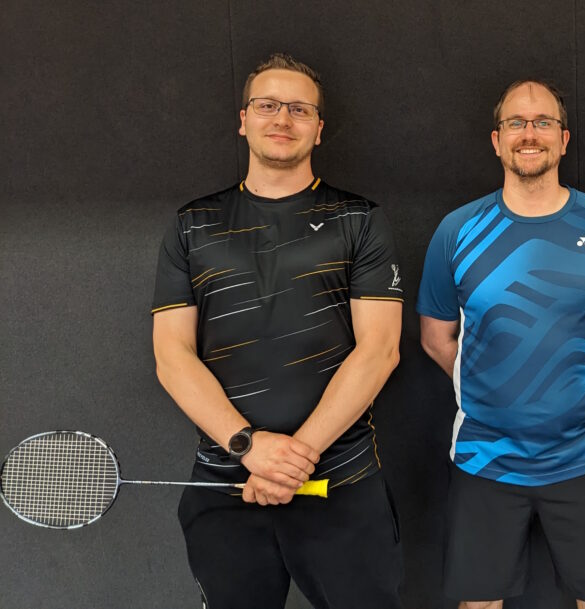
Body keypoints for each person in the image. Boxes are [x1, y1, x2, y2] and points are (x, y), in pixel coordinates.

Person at [151, 53, 404, 609]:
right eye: (267, 105)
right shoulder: (193, 224)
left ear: (319, 128)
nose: (282, 119)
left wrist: (294, 458)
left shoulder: (359, 219)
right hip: (226, 482)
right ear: (244, 120)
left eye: (299, 109)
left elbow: (380, 350)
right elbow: (172, 355)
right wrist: (247, 446)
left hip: (339, 481)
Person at [418, 79, 585, 609]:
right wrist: (495, 393)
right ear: (496, 139)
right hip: (485, 458)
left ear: (564, 139)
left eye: (543, 122)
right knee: (479, 603)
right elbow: (436, 337)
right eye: (516, 123)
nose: (530, 134)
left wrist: (583, 392)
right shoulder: (457, 230)